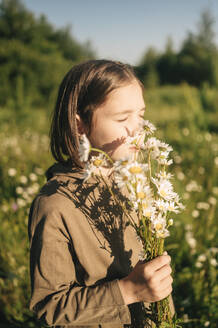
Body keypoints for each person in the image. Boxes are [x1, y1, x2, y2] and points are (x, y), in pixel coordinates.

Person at [28, 59, 174, 328]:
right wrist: (129, 291)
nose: (136, 129)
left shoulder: (134, 185)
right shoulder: (54, 206)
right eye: (122, 118)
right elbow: (49, 308)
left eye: (141, 115)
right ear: (79, 125)